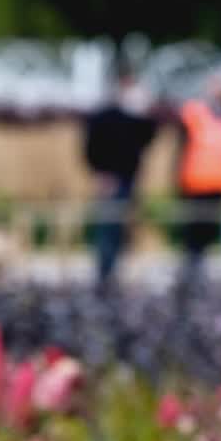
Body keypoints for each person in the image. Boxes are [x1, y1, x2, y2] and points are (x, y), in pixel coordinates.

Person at [82, 63, 160, 290]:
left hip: (128, 179)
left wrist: (144, 112)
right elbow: (90, 149)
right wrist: (100, 173)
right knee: (108, 228)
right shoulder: (103, 116)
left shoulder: (132, 116)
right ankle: (105, 275)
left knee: (122, 228)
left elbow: (148, 137)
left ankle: (114, 272)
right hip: (109, 180)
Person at [171, 75, 221, 273]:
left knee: (209, 229)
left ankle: (197, 264)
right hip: (196, 181)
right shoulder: (195, 112)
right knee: (194, 229)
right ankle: (191, 266)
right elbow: (181, 144)